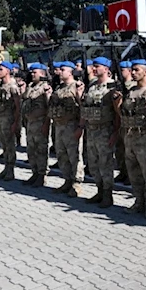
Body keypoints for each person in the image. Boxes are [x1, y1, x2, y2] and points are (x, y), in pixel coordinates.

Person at [115, 59, 146, 219]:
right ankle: (139, 201)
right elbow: (123, 115)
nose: (133, 72)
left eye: (136, 70)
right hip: (129, 137)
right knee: (133, 172)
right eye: (132, 70)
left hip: (145, 138)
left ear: (145, 72)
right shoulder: (130, 92)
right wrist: (117, 104)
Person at [80, 57, 121, 208]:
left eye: (97, 66)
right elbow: (85, 108)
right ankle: (99, 191)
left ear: (106, 69)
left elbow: (117, 113)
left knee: (105, 163)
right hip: (91, 129)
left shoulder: (112, 88)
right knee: (93, 163)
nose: (93, 69)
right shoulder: (92, 86)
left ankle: (107, 195)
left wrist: (115, 132)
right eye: (93, 66)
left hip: (105, 130)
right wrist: (82, 126)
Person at [48, 61, 84, 197]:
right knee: (61, 154)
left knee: (74, 155)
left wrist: (81, 126)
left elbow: (82, 108)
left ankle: (76, 183)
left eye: (62, 69)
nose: (59, 72)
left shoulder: (77, 86)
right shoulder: (59, 88)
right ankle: (67, 180)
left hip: (71, 125)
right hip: (59, 125)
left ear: (70, 72)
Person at [21, 63, 51, 186]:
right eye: (32, 72)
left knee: (41, 149)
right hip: (30, 123)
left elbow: (49, 107)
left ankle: (42, 175)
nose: (32, 74)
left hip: (40, 122)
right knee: (31, 149)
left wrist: (46, 124)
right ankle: (34, 173)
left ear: (42, 73)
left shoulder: (45, 87)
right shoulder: (31, 86)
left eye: (35, 72)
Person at [0, 62, 21, 180]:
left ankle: (11, 170)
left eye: (1, 69)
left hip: (9, 119)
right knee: (4, 145)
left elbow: (18, 106)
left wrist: (16, 123)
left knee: (10, 145)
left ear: (8, 71)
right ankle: (6, 167)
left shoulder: (13, 87)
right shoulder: (0, 86)